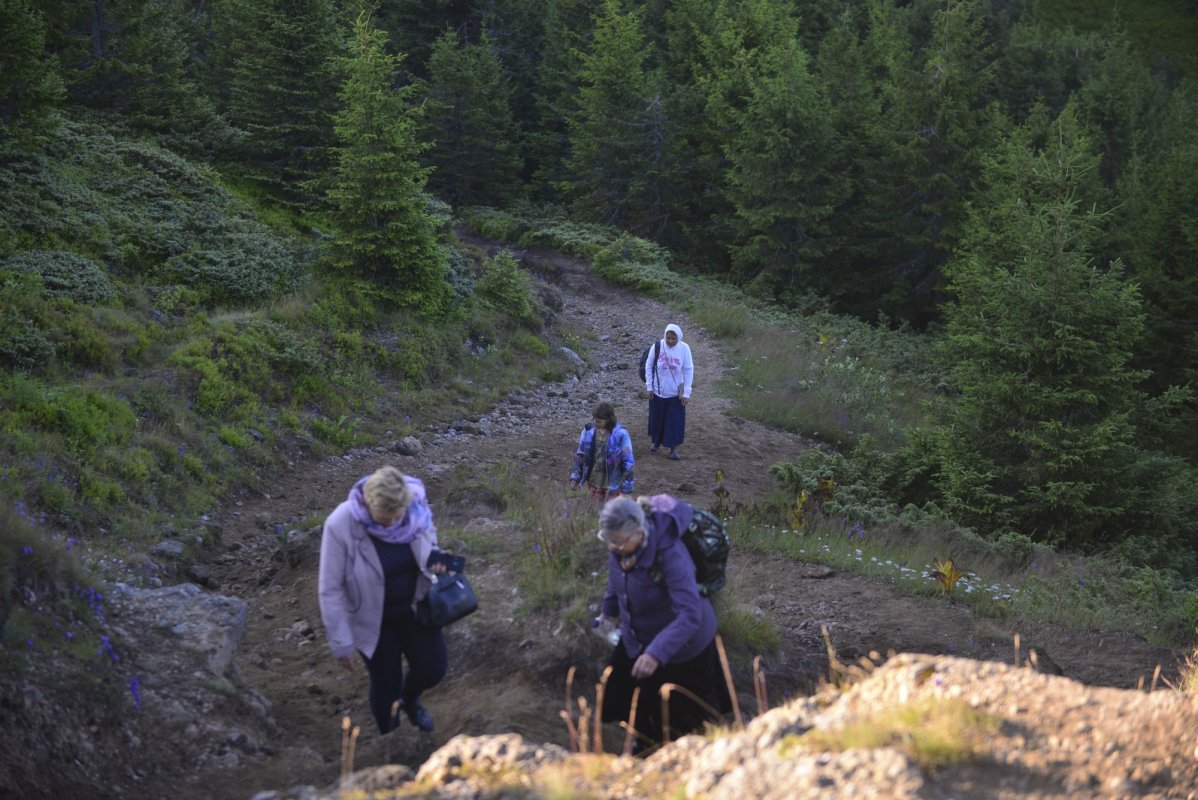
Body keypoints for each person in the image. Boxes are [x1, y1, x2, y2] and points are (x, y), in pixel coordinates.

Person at [318, 465, 451, 735]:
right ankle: (391, 738)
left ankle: (409, 700)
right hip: (372, 620)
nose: (390, 523)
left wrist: (438, 561)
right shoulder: (340, 524)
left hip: (416, 607)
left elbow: (429, 542)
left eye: (396, 515)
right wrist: (342, 644)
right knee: (385, 684)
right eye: (383, 517)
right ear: (368, 505)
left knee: (433, 669)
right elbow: (329, 588)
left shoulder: (416, 506)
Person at [595, 494, 725, 754]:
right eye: (608, 541)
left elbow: (690, 614)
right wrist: (607, 613)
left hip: (686, 648)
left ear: (639, 532)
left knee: (681, 718)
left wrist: (656, 654)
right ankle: (642, 744)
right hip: (640, 636)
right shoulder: (621, 547)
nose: (613, 548)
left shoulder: (671, 556)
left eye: (619, 542)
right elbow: (616, 580)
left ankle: (677, 763)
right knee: (629, 694)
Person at [644, 323, 693, 460]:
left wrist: (686, 393)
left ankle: (673, 449)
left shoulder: (684, 349)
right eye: (668, 338)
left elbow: (688, 370)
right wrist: (649, 387)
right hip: (657, 391)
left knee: (674, 422)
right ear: (665, 336)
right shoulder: (657, 346)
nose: (670, 341)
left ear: (679, 338)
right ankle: (656, 443)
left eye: (673, 338)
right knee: (657, 419)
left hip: (674, 394)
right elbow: (649, 366)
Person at [569, 401, 635, 500]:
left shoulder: (621, 434)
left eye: (599, 421)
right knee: (595, 510)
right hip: (594, 480)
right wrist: (575, 477)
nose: (595, 423)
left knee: (613, 511)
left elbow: (628, 460)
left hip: (613, 483)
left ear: (608, 420)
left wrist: (627, 486)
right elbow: (580, 455)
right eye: (594, 420)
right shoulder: (588, 432)